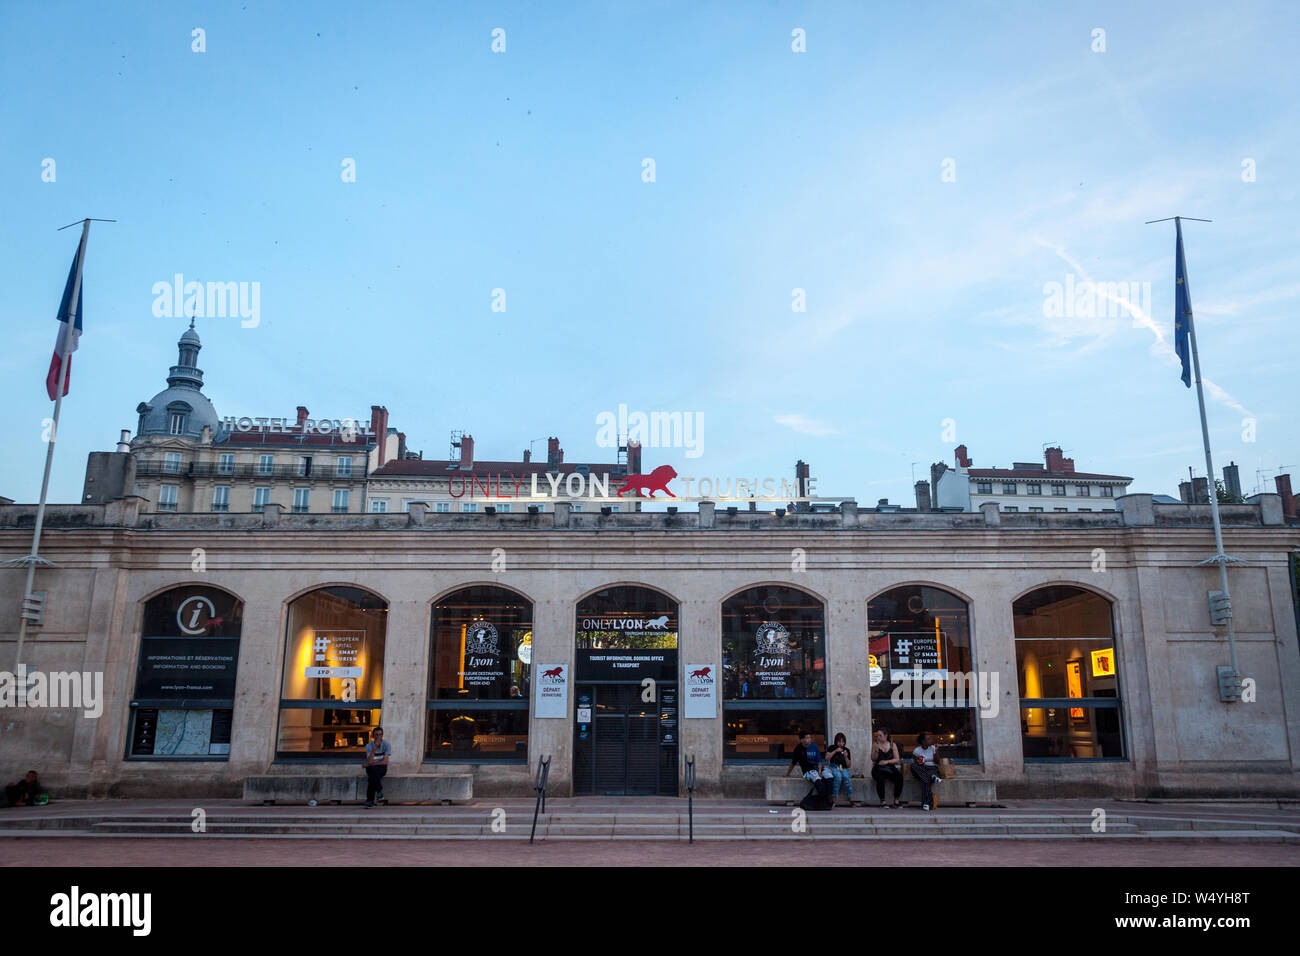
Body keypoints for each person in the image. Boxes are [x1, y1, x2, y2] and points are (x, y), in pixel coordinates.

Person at [784, 731, 834, 808]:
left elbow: (819, 761)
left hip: (818, 768)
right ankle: (823, 801)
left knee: (829, 776)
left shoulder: (814, 746)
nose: (809, 739)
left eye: (809, 737)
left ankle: (829, 799)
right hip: (808, 770)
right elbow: (793, 763)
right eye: (807, 738)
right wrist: (787, 774)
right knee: (817, 780)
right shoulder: (798, 749)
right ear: (801, 740)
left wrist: (820, 771)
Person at [870, 727, 904, 808]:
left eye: (880, 735)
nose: (878, 737)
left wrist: (887, 762)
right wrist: (876, 751)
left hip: (889, 767)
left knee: (899, 777)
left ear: (886, 735)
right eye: (877, 735)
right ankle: (883, 801)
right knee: (880, 779)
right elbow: (873, 759)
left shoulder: (892, 745)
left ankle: (896, 800)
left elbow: (897, 759)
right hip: (878, 768)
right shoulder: (875, 744)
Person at [910, 731, 942, 811]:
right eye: (928, 739)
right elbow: (915, 762)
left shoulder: (933, 748)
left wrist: (936, 751)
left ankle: (925, 803)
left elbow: (938, 762)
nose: (931, 740)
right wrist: (919, 762)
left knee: (925, 780)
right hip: (922, 768)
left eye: (931, 738)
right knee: (913, 766)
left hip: (932, 768)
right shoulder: (917, 751)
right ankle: (932, 777)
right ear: (923, 741)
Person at [362, 727, 391, 808]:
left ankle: (369, 800)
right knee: (373, 772)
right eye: (376, 735)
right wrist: (374, 749)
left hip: (382, 768)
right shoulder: (369, 746)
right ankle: (379, 791)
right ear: (373, 736)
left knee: (372, 775)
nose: (379, 737)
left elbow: (384, 762)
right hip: (372, 768)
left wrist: (369, 764)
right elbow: (369, 761)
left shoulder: (386, 744)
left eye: (380, 735)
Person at [826, 732, 855, 806]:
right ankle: (834, 798)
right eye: (839, 741)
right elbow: (827, 758)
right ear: (836, 741)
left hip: (843, 767)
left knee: (846, 777)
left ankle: (850, 797)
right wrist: (835, 751)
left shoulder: (846, 750)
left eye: (842, 741)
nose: (841, 743)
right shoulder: (831, 747)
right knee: (838, 777)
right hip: (834, 766)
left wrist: (846, 757)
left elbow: (849, 765)